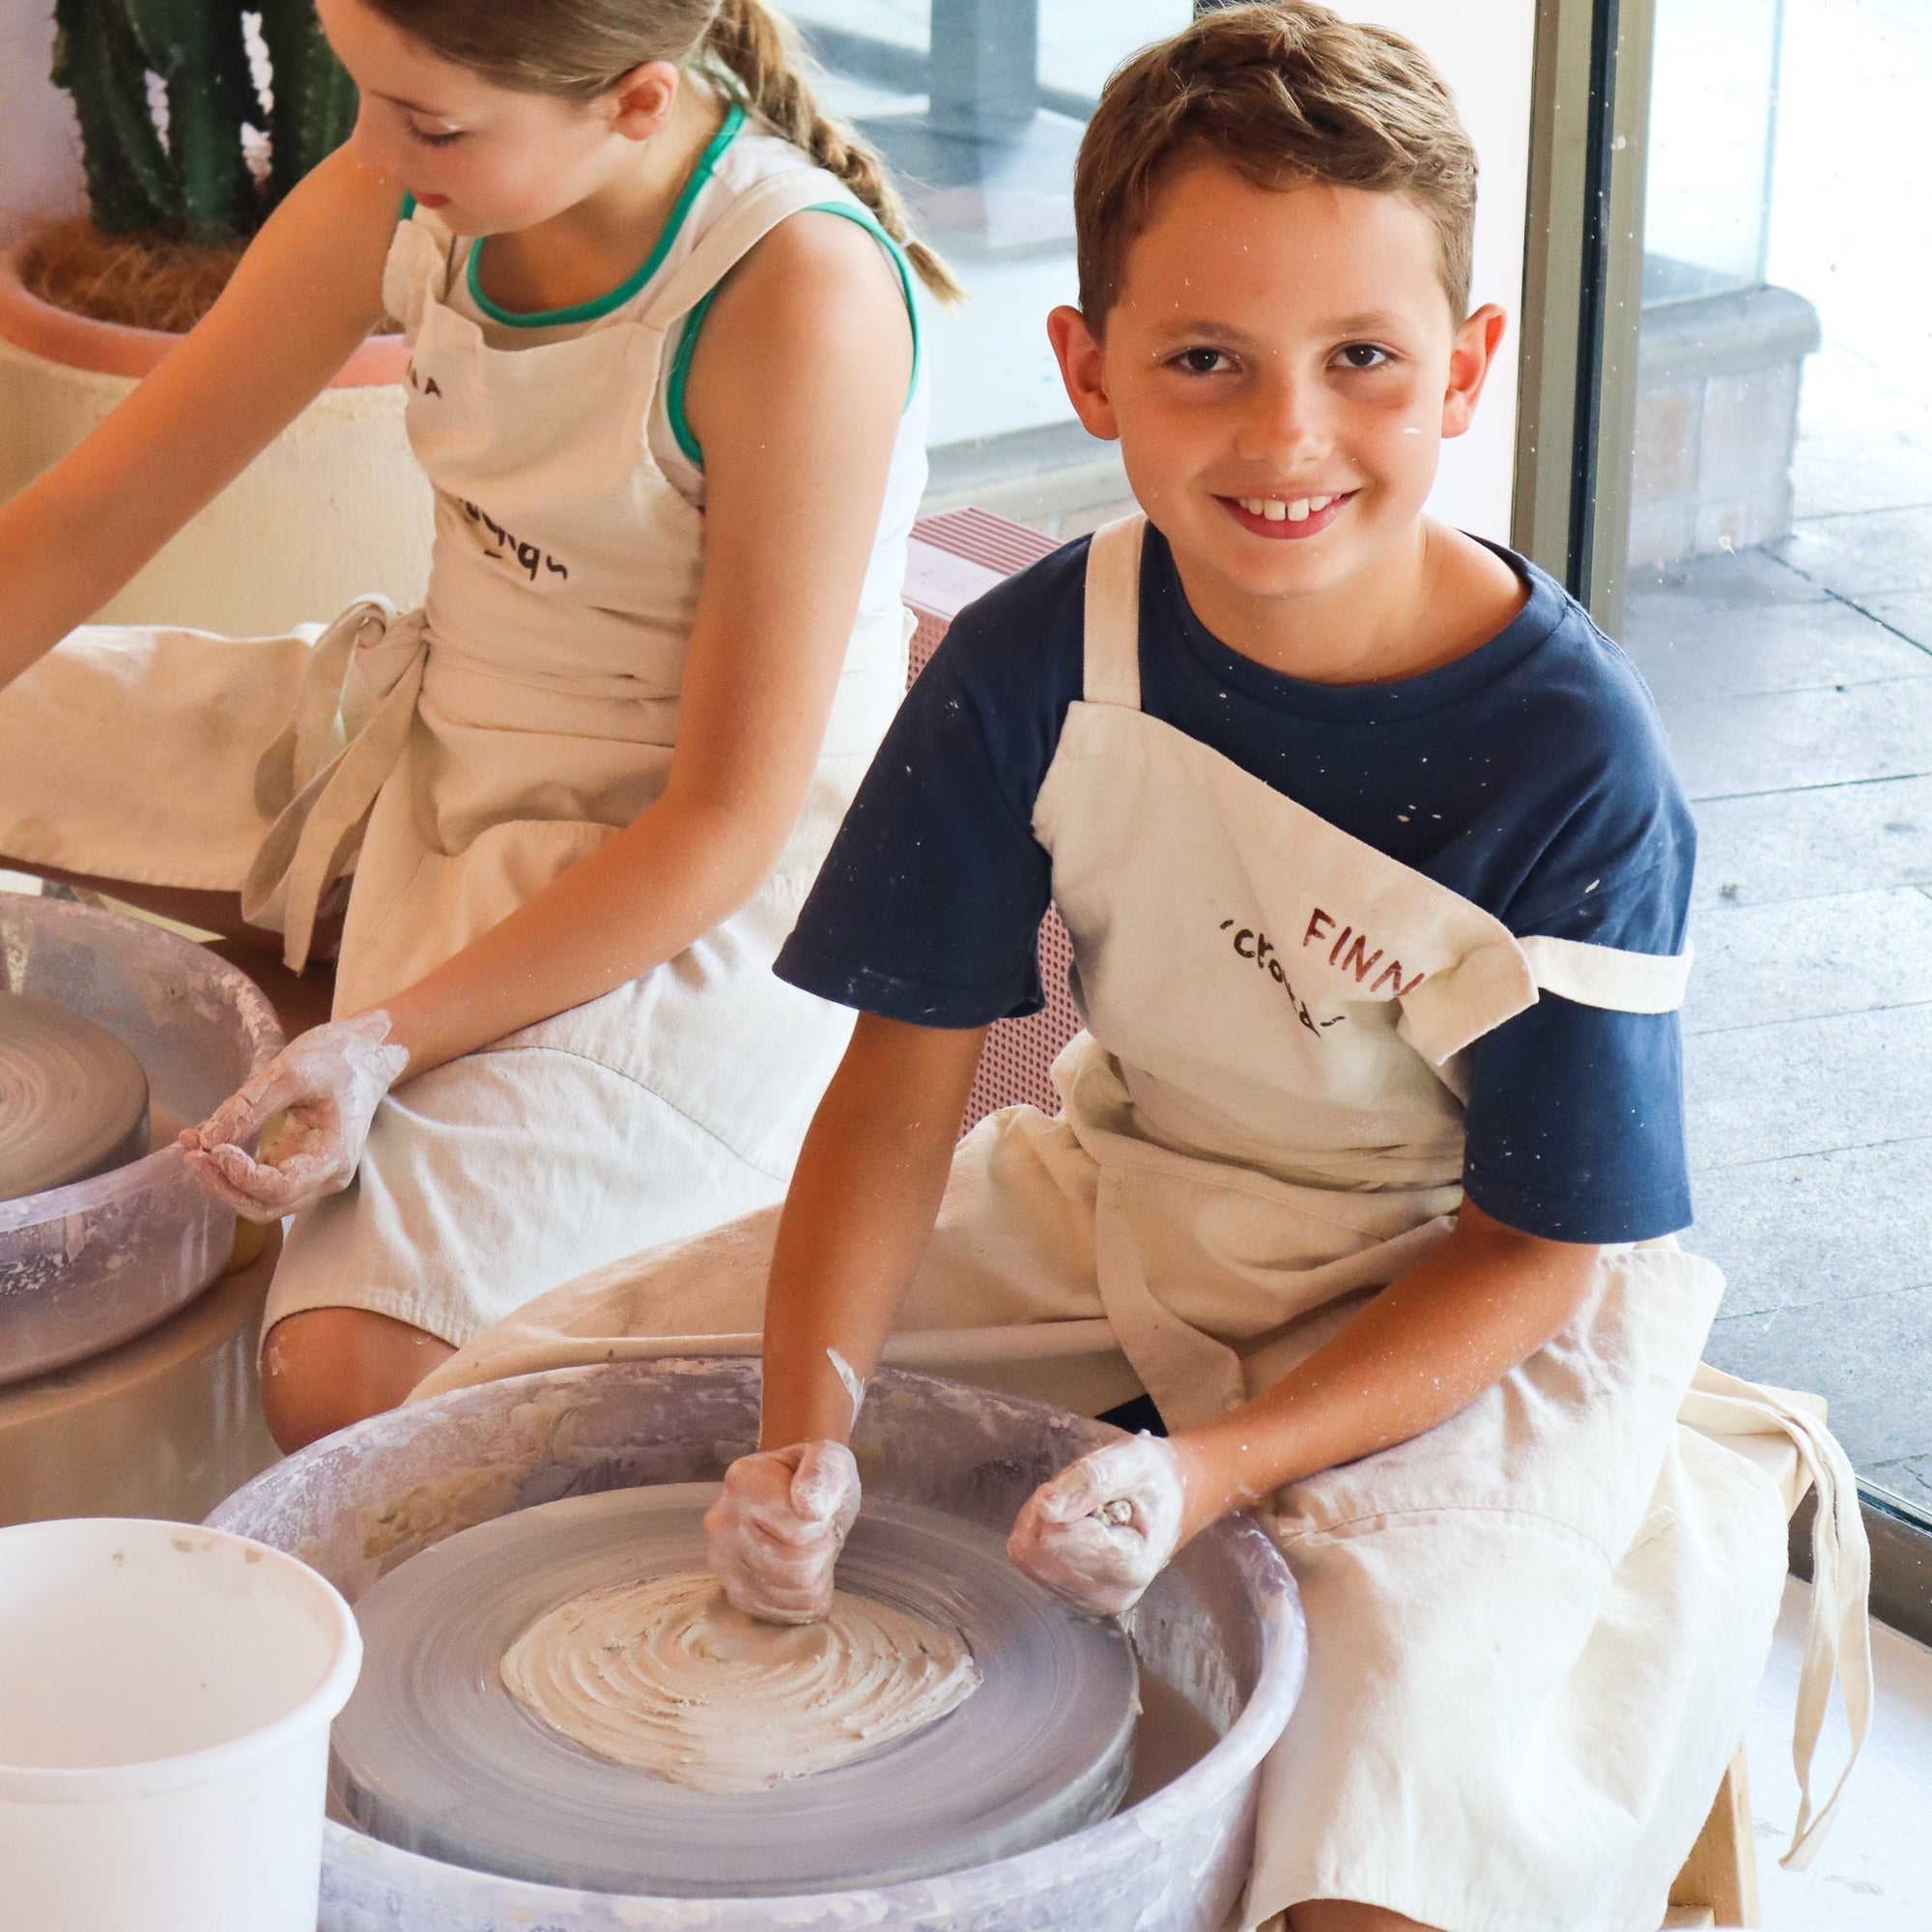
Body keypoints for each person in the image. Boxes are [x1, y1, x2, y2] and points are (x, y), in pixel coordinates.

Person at [412, 7, 1869, 1927]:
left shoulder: (1570, 759)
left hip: (1465, 1298)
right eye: (1204, 361)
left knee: (1371, 1848)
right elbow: (900, 1094)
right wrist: (803, 1436)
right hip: (1133, 1187)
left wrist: (1217, 1471)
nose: (1285, 438)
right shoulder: (1041, 650)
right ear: (1089, 373)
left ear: (1467, 371)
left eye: (1361, 360)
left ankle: (1645, 1540)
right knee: (506, 1423)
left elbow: (1540, 1247)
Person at [0, 0, 953, 1449]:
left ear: (636, 103)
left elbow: (722, 825)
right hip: (432, 744)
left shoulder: (795, 294)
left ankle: (393, 1022)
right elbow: (82, 523)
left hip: (691, 875)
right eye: (362, 95)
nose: (377, 148)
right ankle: (349, 982)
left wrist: (388, 1038)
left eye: (430, 122)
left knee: (343, 1381)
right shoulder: (407, 185)